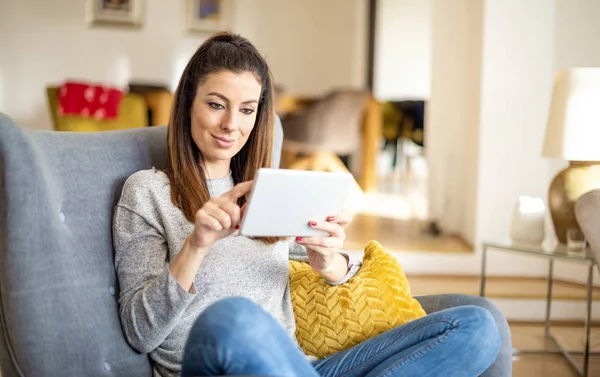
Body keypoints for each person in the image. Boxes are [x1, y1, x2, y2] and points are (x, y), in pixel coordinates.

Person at [113, 32, 502, 377]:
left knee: (478, 327)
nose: (232, 123)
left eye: (247, 109)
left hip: (303, 367)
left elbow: (321, 261)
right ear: (188, 107)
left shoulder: (270, 190)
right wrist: (196, 245)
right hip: (215, 366)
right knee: (234, 317)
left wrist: (331, 263)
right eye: (216, 104)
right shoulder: (147, 192)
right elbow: (139, 331)